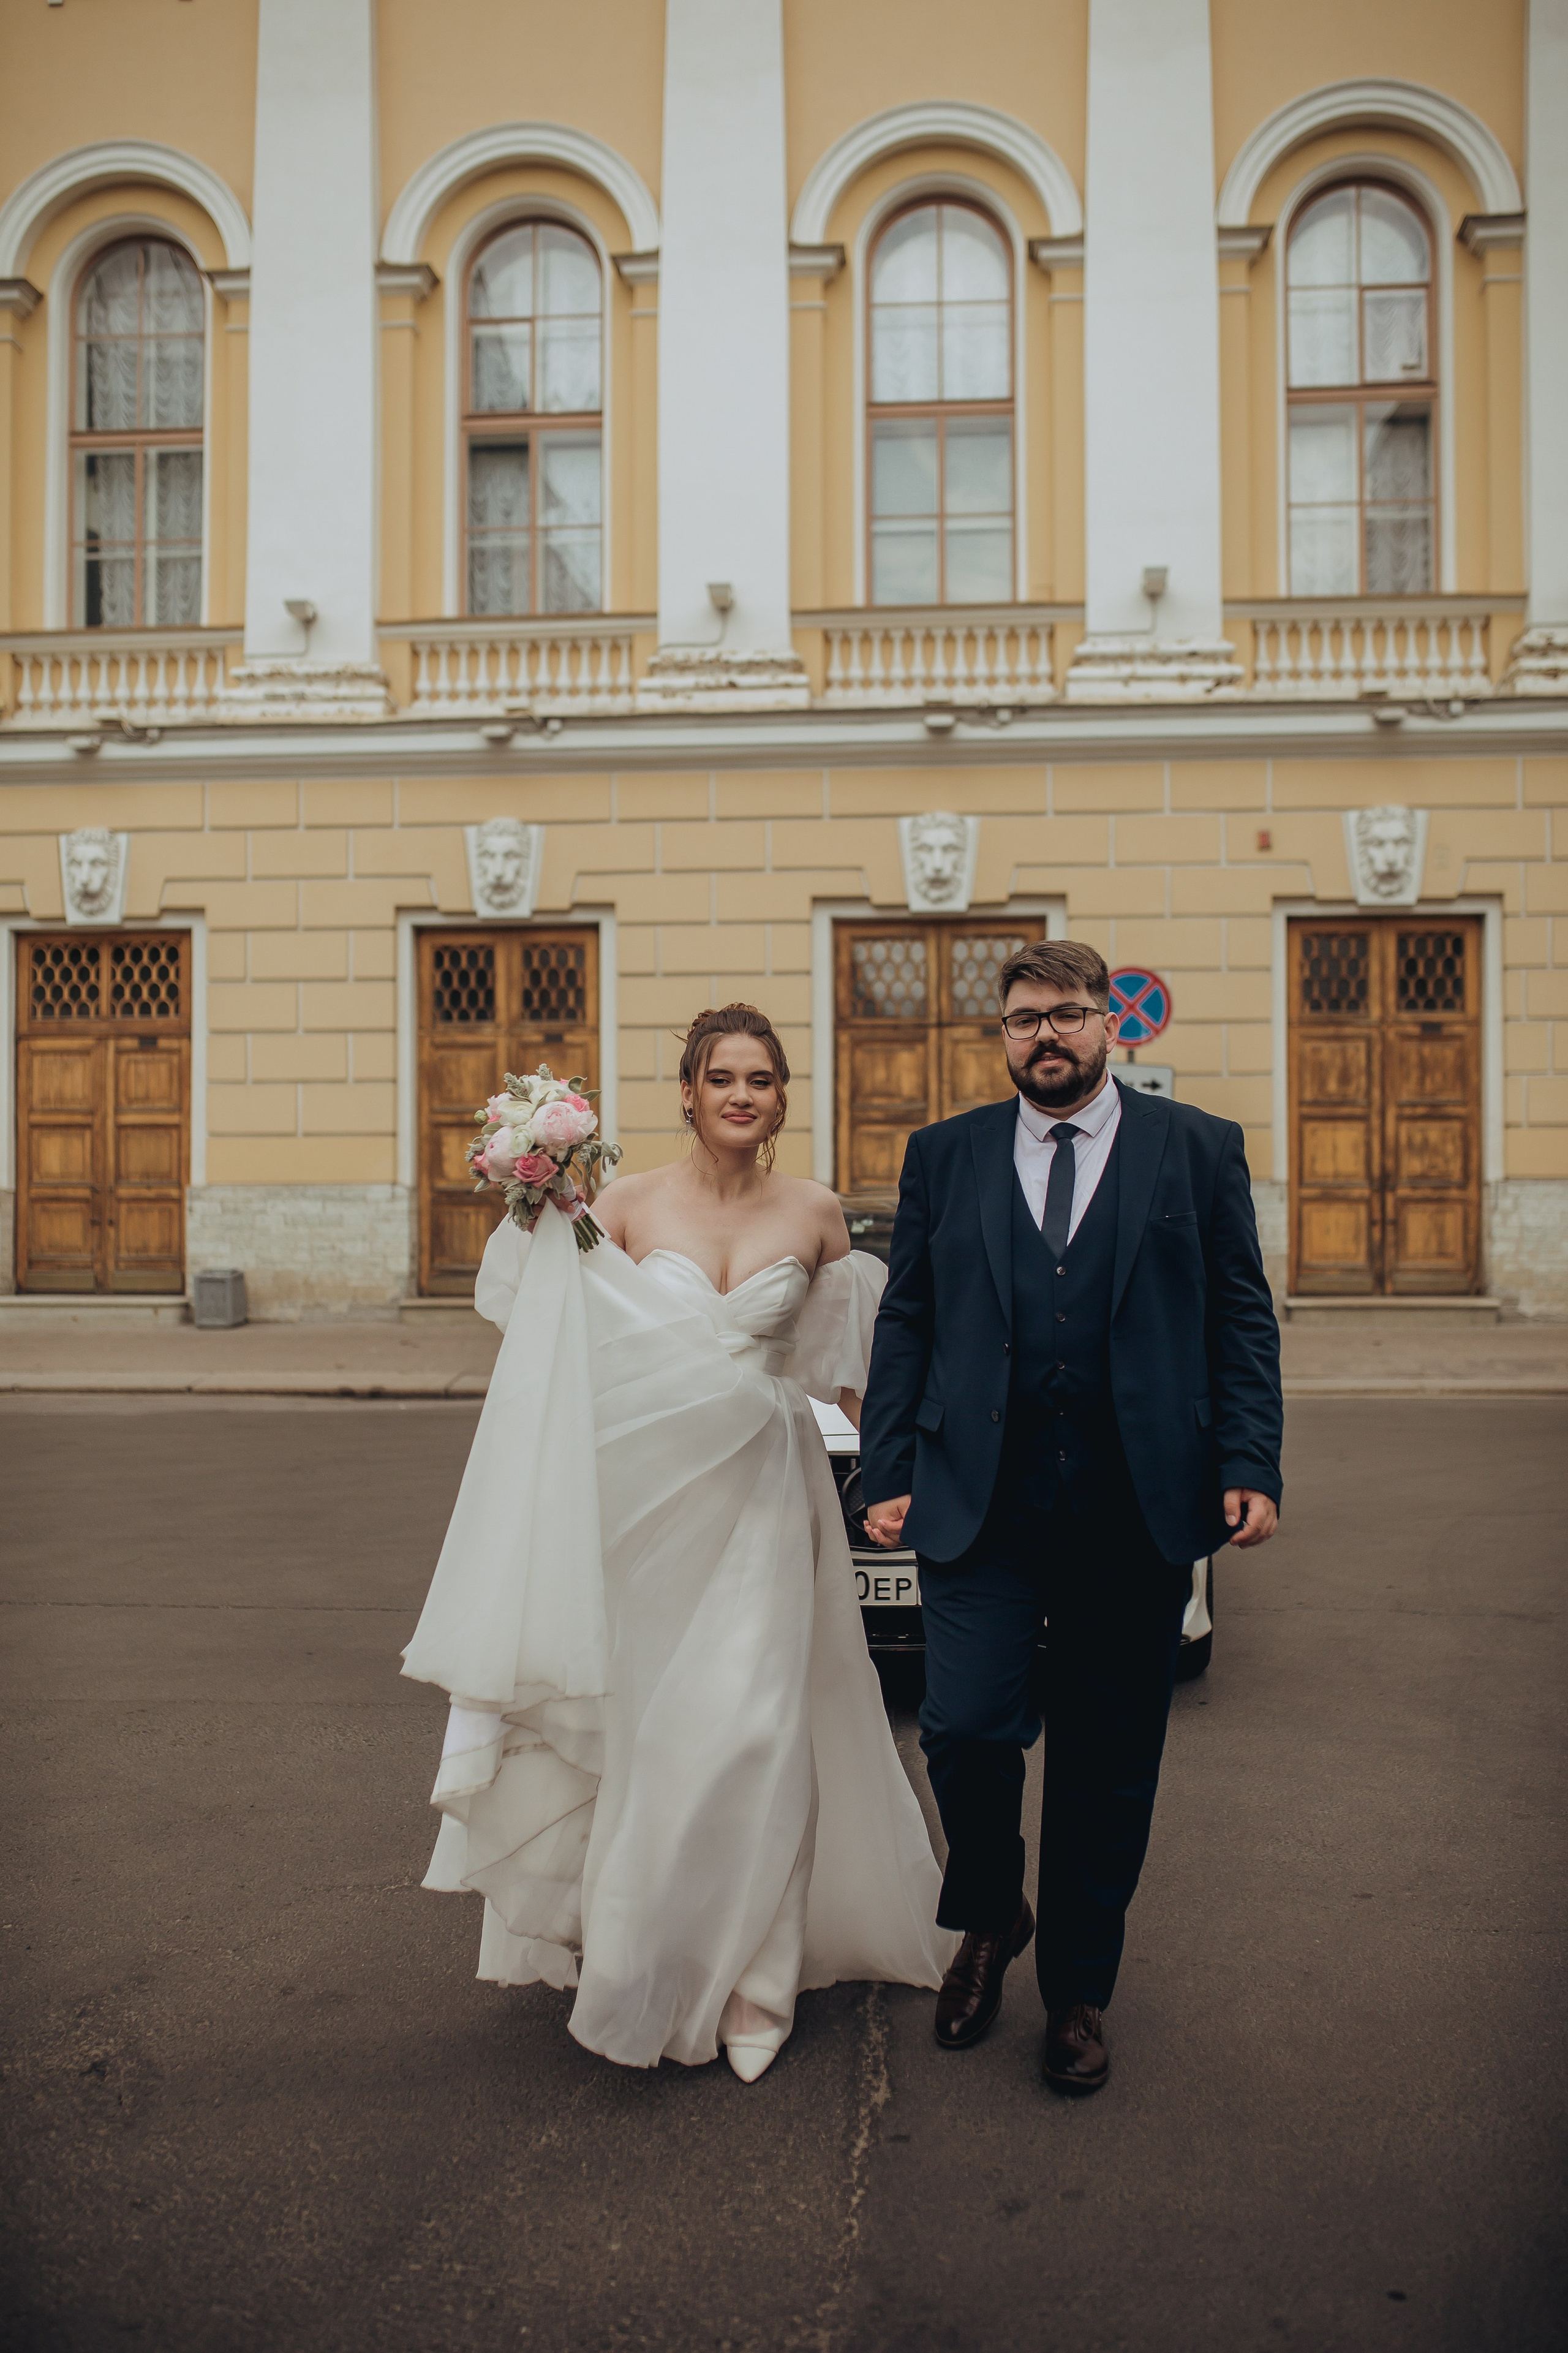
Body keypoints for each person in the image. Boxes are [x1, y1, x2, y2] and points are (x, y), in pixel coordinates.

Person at [402, 1003, 954, 2081]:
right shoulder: (622, 1201)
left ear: (781, 1097)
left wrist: (893, 1486)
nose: (742, 1095)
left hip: (764, 1496)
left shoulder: (820, 1216)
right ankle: (639, 1952)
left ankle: (758, 1976)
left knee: (754, 1729)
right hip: (645, 1500)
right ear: (691, 1094)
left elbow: (851, 1377)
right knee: (655, 1736)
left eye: (761, 1078)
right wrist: (538, 1193)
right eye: (722, 1078)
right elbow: (550, 1323)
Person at [859, 940, 1282, 2093]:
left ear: (1112, 1027)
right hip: (980, 1504)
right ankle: (993, 1914)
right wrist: (884, 1464)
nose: (1046, 1035)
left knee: (1108, 1761)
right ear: (1002, 1034)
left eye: (1068, 1015)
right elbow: (908, 1320)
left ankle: (1081, 1988)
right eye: (1024, 1019)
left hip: (1130, 1508)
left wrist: (1252, 1458)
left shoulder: (1194, 1149)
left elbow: (1239, 1313)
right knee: (967, 1730)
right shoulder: (945, 1156)